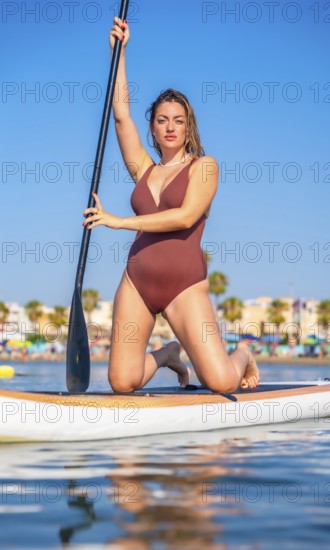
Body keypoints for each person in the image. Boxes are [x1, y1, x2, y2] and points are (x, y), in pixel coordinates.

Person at [82, 18, 260, 393]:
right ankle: (166, 356)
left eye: (178, 121)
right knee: (122, 382)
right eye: (162, 120)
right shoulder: (144, 171)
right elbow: (120, 116)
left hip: (184, 287)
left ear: (188, 126)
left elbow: (186, 216)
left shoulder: (204, 166)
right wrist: (119, 53)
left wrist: (118, 222)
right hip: (137, 282)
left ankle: (243, 352)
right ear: (153, 128)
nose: (170, 127)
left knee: (221, 381)